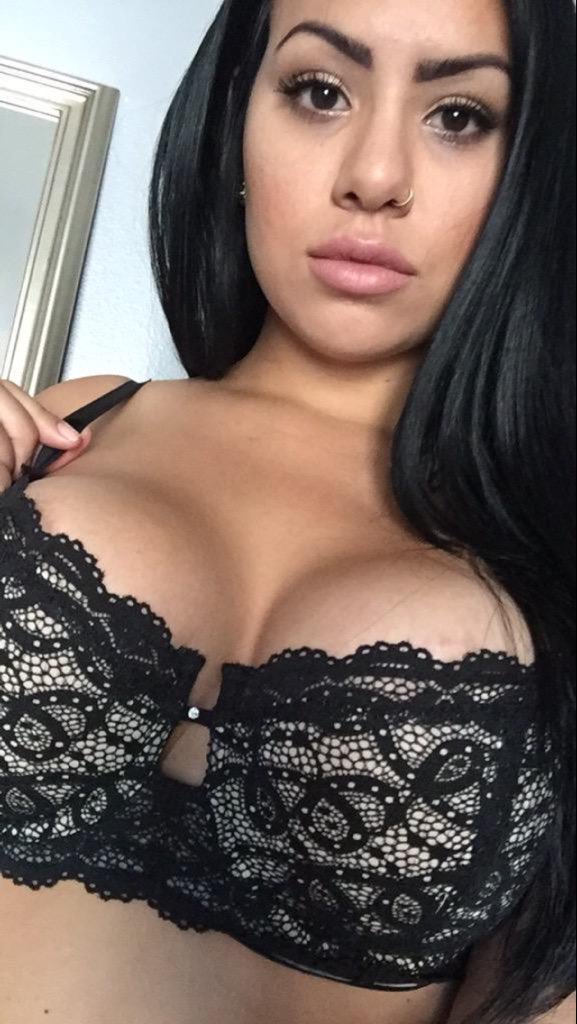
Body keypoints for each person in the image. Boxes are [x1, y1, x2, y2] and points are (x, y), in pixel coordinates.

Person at [0, 1, 575, 1022]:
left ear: (526, 170)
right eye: (319, 91)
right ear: (236, 120)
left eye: (457, 116)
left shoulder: (548, 572)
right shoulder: (72, 425)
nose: (375, 175)